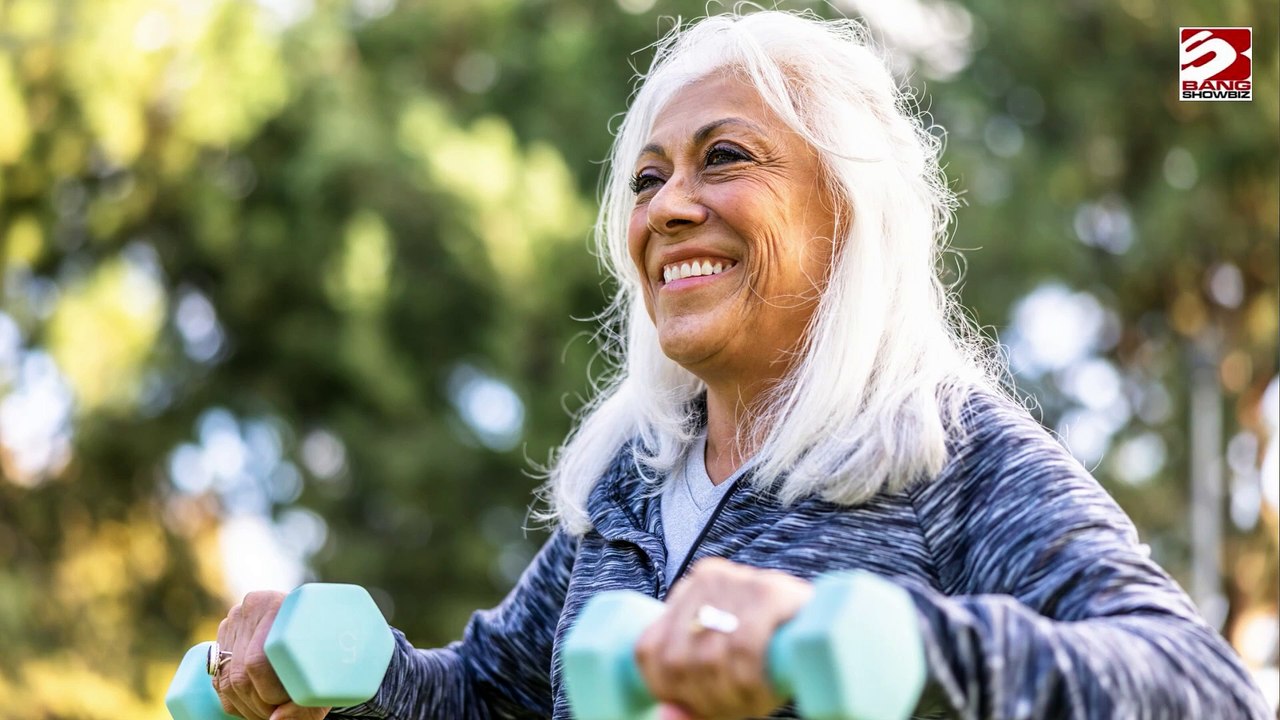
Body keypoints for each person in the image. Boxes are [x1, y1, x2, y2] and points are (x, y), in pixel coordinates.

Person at [208, 10, 1272, 720]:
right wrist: (340, 678)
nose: (667, 207)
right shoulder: (635, 476)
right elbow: (489, 698)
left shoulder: (942, 449)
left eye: (724, 157)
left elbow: (1200, 688)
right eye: (646, 178)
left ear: (845, 210)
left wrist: (883, 646)